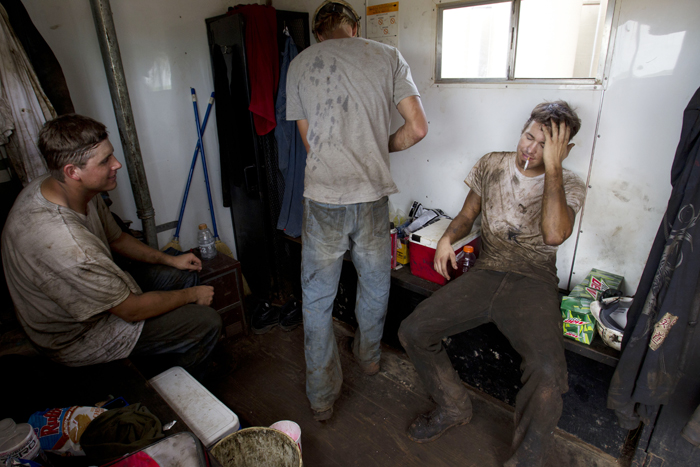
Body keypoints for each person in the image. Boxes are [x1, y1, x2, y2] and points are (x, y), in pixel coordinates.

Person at [398, 101, 586, 466]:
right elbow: (469, 214)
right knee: (414, 329)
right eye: (528, 136)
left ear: (562, 151)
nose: (530, 148)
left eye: (543, 145)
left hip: (534, 282)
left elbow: (553, 234)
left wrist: (554, 169)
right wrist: (447, 238)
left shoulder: (569, 184)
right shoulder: (492, 163)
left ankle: (526, 460)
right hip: (487, 271)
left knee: (548, 372)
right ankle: (453, 406)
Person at [285, 0, 429, 421]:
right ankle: (368, 358)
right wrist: (373, 148)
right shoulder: (387, 56)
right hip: (370, 197)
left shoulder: (300, 65)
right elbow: (417, 128)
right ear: (355, 26)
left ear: (318, 33)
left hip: (323, 199)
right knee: (374, 280)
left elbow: (310, 141)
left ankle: (322, 398)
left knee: (316, 300)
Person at [1, 114, 221, 376]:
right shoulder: (66, 245)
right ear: (73, 171)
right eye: (105, 161)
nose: (116, 164)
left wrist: (170, 259)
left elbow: (116, 238)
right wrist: (193, 296)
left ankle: (167, 355)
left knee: (183, 275)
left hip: (101, 299)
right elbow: (132, 310)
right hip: (78, 336)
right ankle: (171, 388)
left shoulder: (69, 189)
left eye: (111, 155)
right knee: (207, 322)